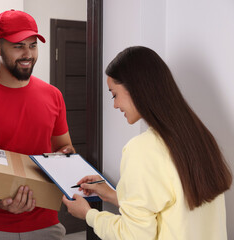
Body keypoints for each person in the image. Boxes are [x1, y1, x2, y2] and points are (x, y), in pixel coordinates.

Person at [62, 46, 232, 239]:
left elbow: (134, 235)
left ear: (136, 88)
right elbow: (171, 205)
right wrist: (110, 194)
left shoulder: (142, 149)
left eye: (114, 94)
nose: (115, 105)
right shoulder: (199, 137)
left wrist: (89, 215)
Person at [0, 10, 75, 240]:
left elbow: (65, 147)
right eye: (18, 46)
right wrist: (0, 202)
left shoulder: (53, 96)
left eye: (33, 45)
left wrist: (66, 157)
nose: (28, 54)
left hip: (46, 225)